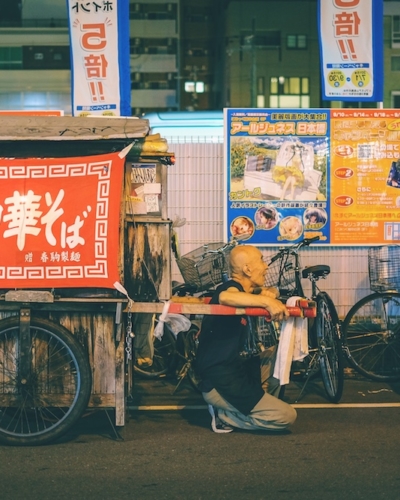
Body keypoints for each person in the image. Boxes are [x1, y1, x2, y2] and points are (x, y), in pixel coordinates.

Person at [195, 244, 297, 433]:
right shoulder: (229, 288)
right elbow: (227, 297)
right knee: (286, 416)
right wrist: (268, 301)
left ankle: (252, 406)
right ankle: (226, 417)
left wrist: (271, 293)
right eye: (261, 260)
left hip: (234, 370)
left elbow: (264, 291)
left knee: (276, 354)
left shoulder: (245, 291)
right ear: (247, 269)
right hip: (220, 381)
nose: (266, 267)